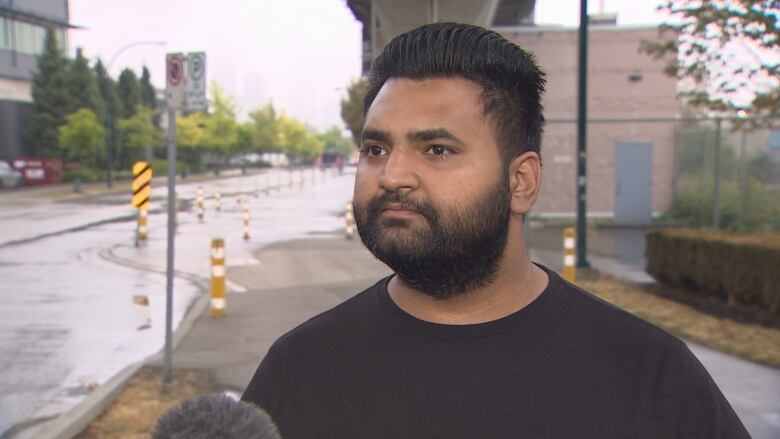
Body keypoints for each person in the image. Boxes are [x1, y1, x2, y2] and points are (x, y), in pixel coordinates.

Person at [243, 22, 749, 438]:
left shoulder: (650, 378)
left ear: (521, 181)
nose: (392, 175)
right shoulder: (299, 369)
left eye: (437, 149)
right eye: (376, 149)